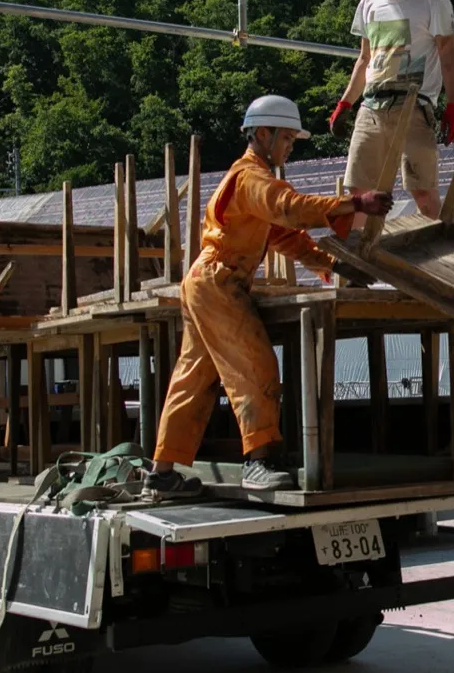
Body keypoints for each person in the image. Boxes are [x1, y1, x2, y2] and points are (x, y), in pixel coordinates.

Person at [143, 95, 391, 497]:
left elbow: (284, 236)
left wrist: (332, 265)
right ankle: (258, 461)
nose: (290, 147)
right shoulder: (251, 177)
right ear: (263, 133)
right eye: (287, 139)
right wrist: (353, 203)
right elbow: (289, 208)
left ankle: (162, 471)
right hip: (218, 281)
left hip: (208, 281)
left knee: (194, 378)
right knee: (255, 366)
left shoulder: (251, 180)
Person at [327, 0, 454, 220]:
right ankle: (365, 258)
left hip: (413, 105)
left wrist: (452, 105)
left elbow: (448, 56)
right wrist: (345, 103)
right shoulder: (369, 3)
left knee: (422, 191)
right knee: (360, 194)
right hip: (372, 106)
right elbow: (365, 59)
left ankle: (438, 252)